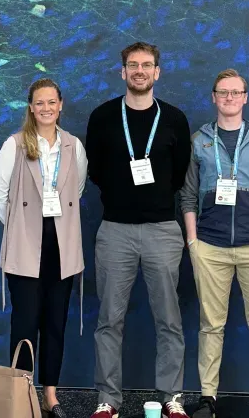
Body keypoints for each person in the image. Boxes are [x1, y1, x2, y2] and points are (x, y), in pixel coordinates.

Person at [85, 41, 192, 418]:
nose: (140, 71)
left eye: (147, 65)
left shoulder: (175, 119)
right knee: (109, 319)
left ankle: (171, 398)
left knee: (169, 319)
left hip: (163, 229)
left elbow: (179, 174)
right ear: (123, 72)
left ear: (157, 72)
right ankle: (108, 400)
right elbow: (95, 171)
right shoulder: (102, 117)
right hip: (115, 230)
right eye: (133, 65)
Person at [179, 69, 249, 418]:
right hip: (210, 247)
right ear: (213, 97)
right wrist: (193, 241)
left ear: (245, 97)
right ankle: (207, 398)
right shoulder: (198, 140)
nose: (229, 98)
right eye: (222, 92)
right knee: (210, 325)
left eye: (236, 92)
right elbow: (186, 195)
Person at [0, 78, 88, 418]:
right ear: (31, 107)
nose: (46, 108)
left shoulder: (74, 146)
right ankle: (23, 393)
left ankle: (50, 395)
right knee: (25, 323)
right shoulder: (14, 145)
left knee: (56, 322)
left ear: (61, 105)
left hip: (61, 242)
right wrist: (18, 227)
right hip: (26, 245)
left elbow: (77, 188)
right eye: (39, 103)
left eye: (52, 102)